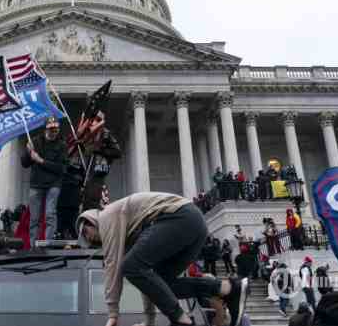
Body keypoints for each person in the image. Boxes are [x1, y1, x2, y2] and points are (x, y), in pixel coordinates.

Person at [77, 192, 249, 326]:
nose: (90, 239)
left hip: (180, 217)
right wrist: (149, 321)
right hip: (195, 224)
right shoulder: (129, 232)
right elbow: (149, 283)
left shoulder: (107, 217)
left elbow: (112, 267)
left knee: (128, 266)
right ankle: (227, 288)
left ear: (91, 220)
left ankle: (181, 320)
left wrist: (113, 314)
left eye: (86, 233)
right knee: (161, 283)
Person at [21, 116, 67, 245]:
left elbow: (61, 168)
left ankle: (48, 244)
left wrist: (41, 161)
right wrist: (27, 151)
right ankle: (33, 245)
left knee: (50, 214)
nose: (54, 132)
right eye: (51, 129)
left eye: (56, 129)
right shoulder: (35, 142)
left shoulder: (62, 145)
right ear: (45, 129)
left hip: (53, 184)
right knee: (34, 218)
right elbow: (24, 163)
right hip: (36, 184)